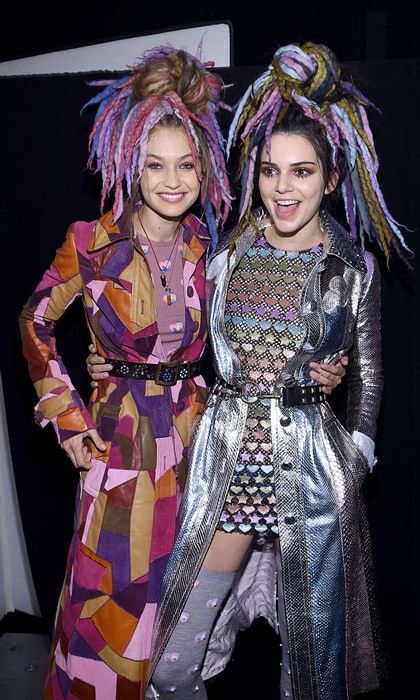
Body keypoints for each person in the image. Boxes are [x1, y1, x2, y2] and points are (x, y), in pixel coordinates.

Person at [135, 42, 408, 700]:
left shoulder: (353, 270)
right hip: (231, 467)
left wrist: (356, 456)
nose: (284, 188)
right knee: (171, 666)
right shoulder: (224, 252)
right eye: (271, 171)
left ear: (331, 179)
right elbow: (177, 334)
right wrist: (112, 361)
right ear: (254, 174)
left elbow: (369, 376)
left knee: (311, 673)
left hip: (313, 475)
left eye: (303, 172)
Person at [19, 46, 233, 699]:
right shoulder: (91, 242)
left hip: (193, 445)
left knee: (180, 615)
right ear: (130, 168)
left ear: (205, 169)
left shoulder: (204, 243)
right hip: (118, 446)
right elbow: (34, 322)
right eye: (154, 165)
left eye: (185, 165)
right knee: (108, 612)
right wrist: (72, 427)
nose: (172, 181)